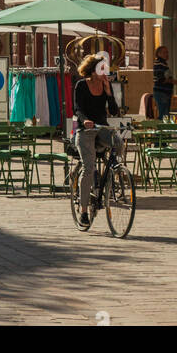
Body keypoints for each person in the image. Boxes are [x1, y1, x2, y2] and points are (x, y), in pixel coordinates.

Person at [73, 53, 122, 227]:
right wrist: (85, 120)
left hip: (101, 128)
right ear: (93, 71)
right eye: (102, 69)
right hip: (85, 130)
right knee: (88, 167)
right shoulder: (81, 85)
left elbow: (115, 111)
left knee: (118, 142)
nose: (105, 72)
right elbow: (77, 109)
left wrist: (109, 93)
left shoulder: (105, 85)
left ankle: (111, 175)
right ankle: (84, 211)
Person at [152, 46, 176, 120]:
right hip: (161, 93)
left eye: (167, 52)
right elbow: (160, 79)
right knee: (163, 115)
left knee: (165, 114)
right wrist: (171, 81)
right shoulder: (159, 64)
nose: (167, 54)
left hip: (165, 93)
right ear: (159, 54)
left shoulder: (164, 64)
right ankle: (162, 130)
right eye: (164, 52)